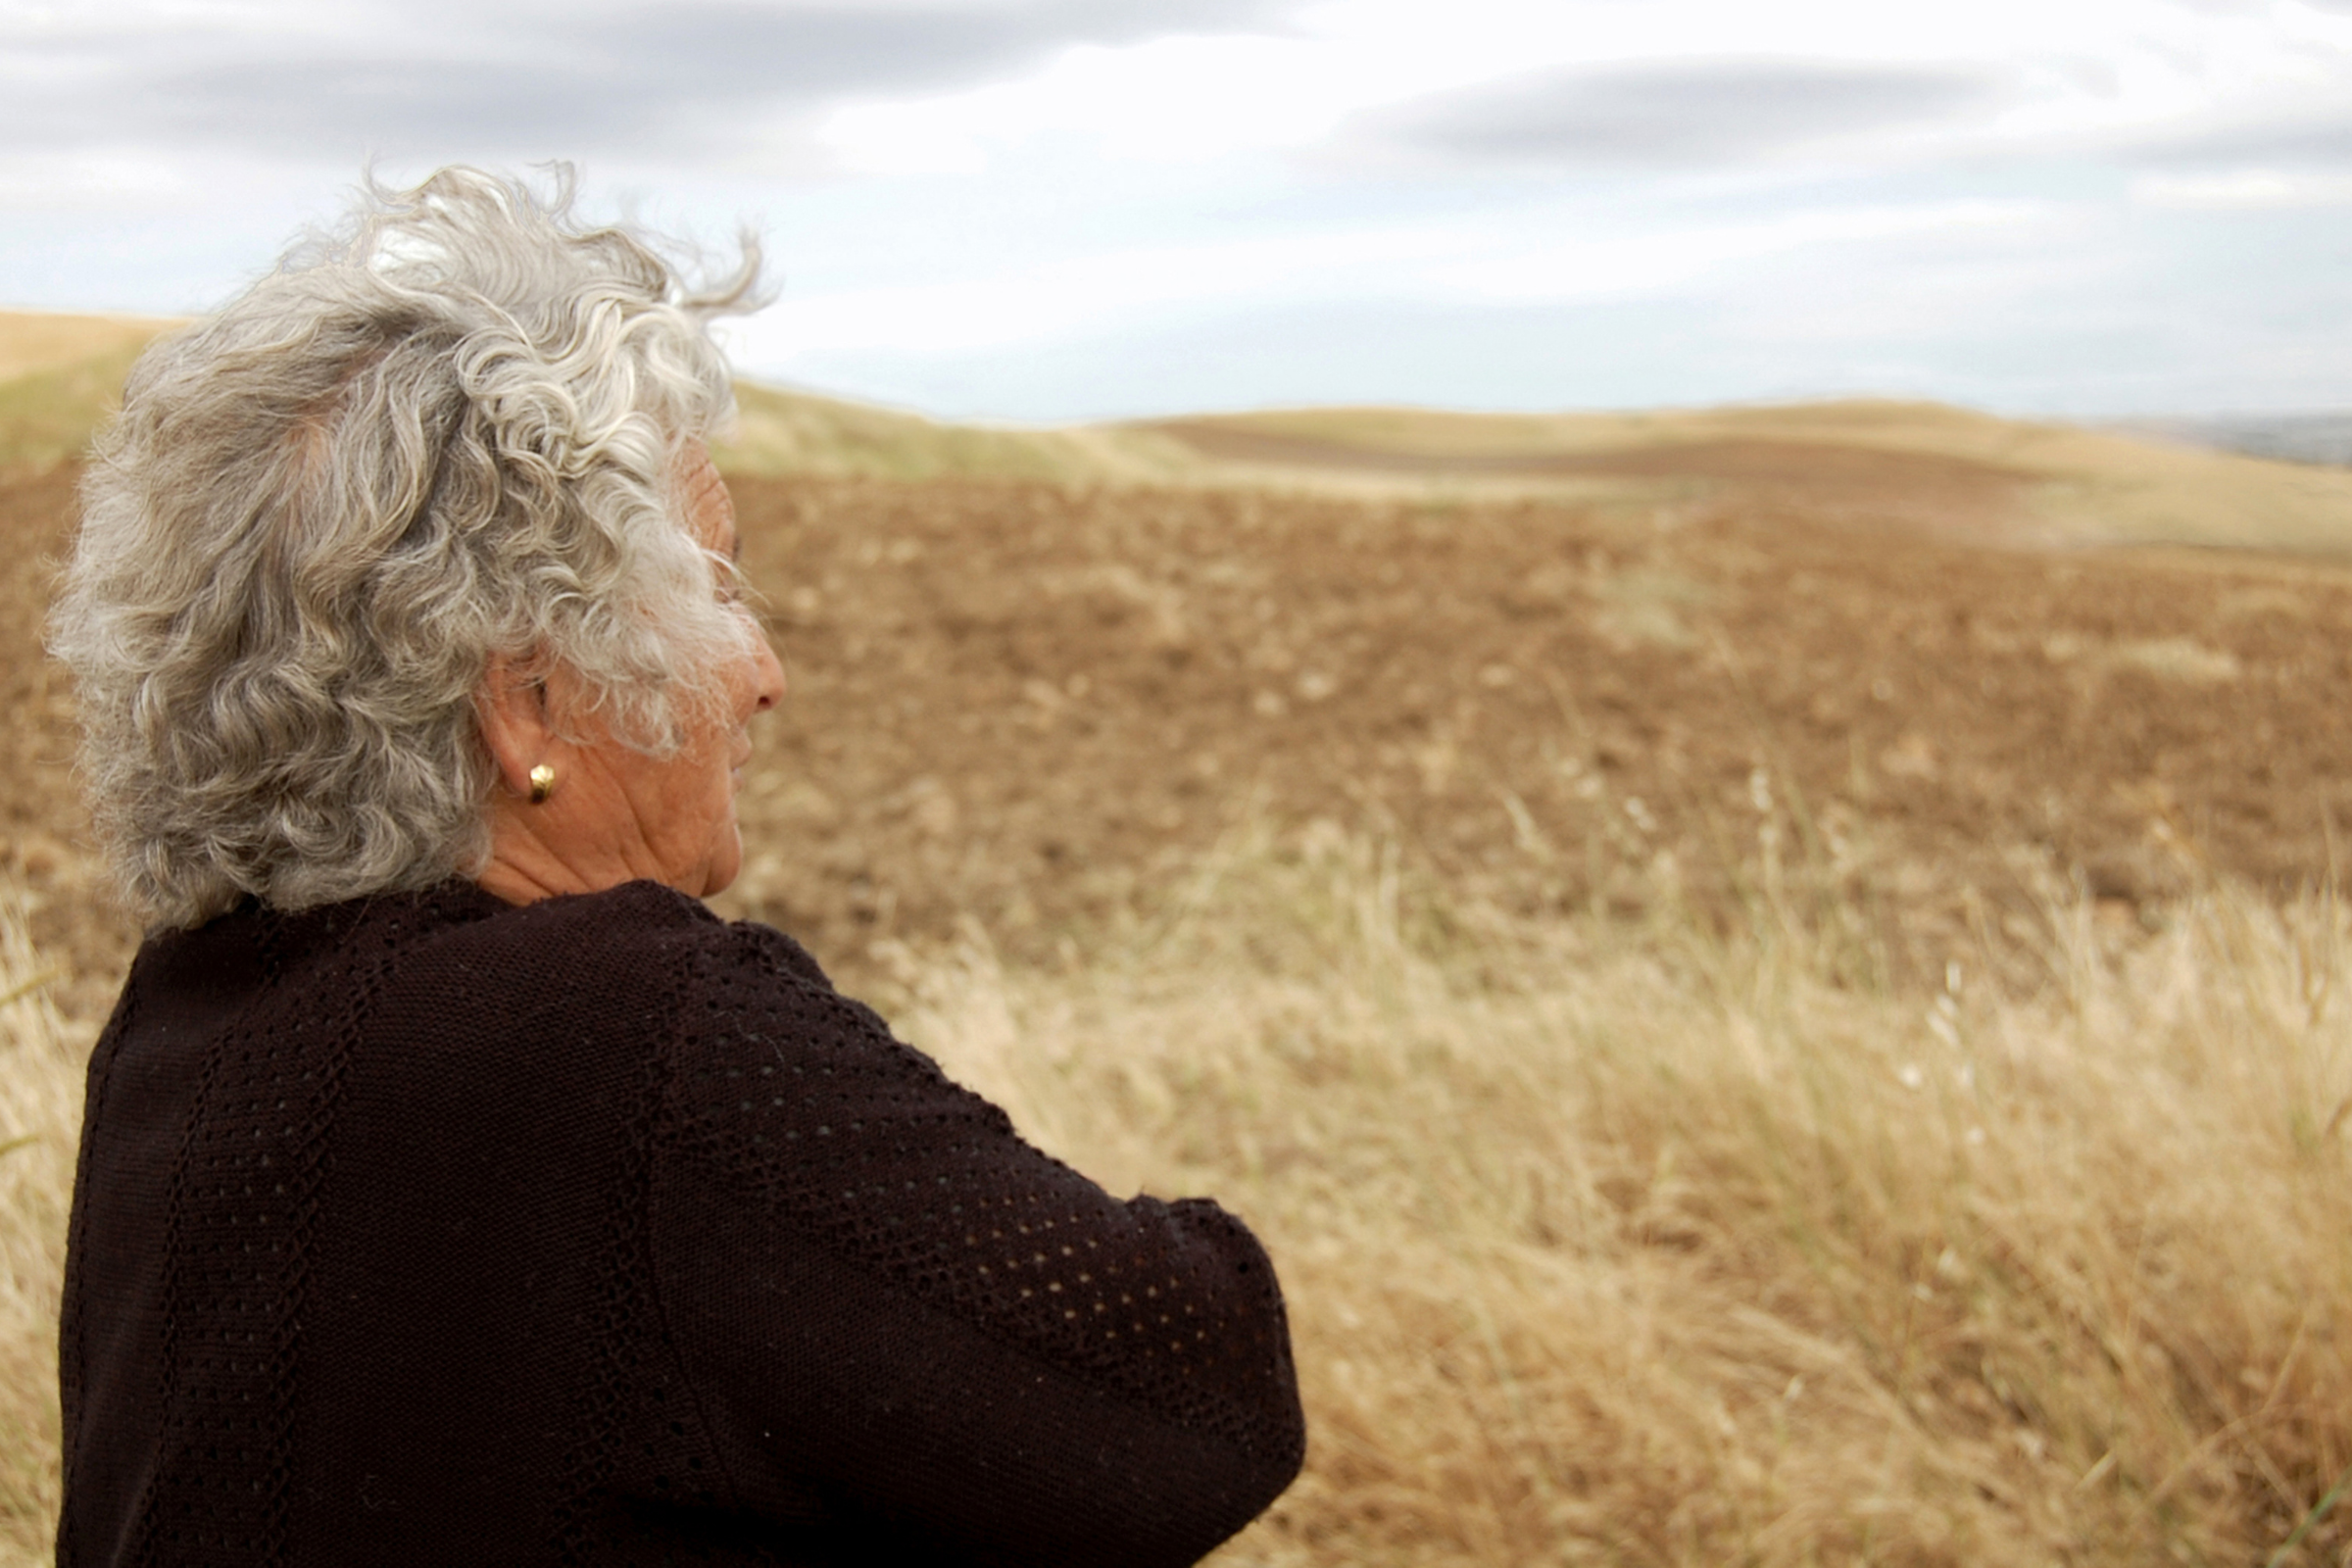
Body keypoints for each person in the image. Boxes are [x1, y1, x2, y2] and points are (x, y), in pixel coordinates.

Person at [47, 167, 1304, 1567]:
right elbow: (1199, 1393)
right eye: (714, 587)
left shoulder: (183, 1029)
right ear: (525, 704)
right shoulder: (632, 1042)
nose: (763, 674)